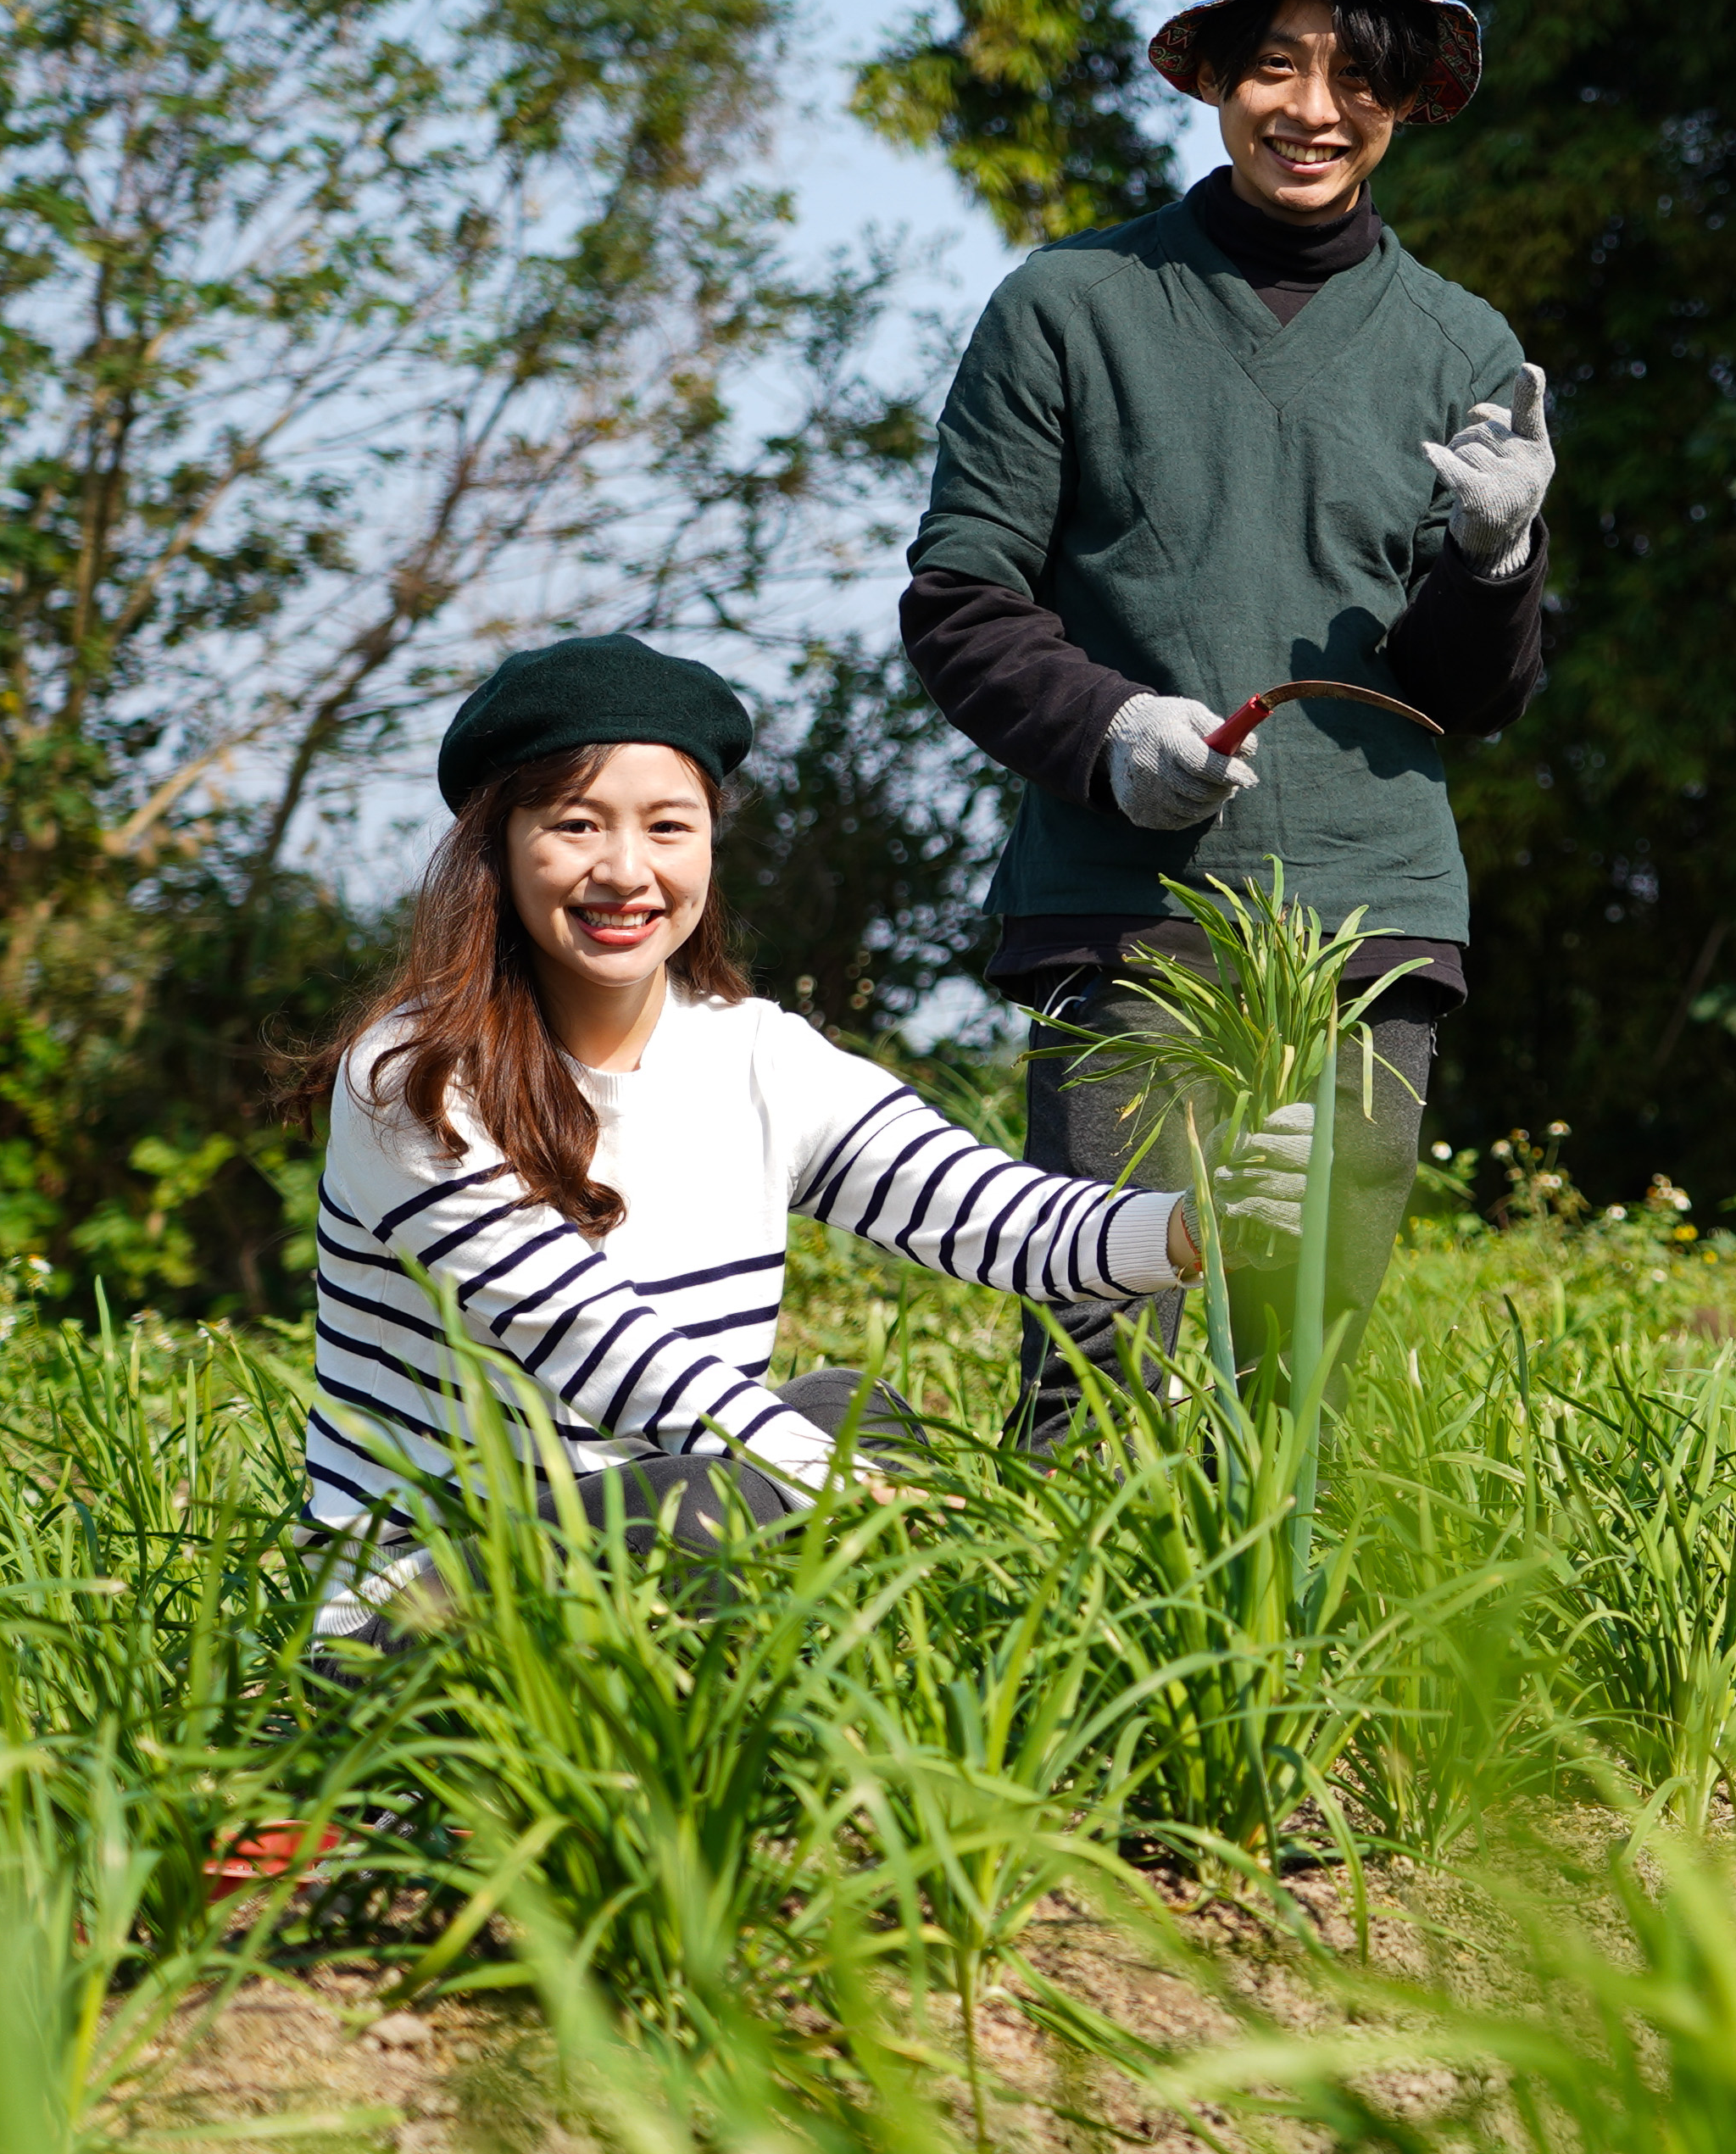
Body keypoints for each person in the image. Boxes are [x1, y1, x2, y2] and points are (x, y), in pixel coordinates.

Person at [900, 0, 1551, 1450]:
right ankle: (1072, 1686)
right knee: (1098, 1356)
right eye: (1277, 62)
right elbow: (962, 602)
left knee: (1304, 1366)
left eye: (1357, 70)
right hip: (1126, 915)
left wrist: (1498, 559)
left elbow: (1473, 693)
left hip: (1367, 912)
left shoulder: (1460, 342)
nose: (1313, 108)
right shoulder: (1070, 306)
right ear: (1207, 73)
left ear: (1406, 94)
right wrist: (1116, 734)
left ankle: (1295, 1688)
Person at [303, 631, 1275, 1638]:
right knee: (744, 1488)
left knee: (855, 1409)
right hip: (418, 1608)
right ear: (498, 848)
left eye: (669, 827)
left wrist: (1194, 1227)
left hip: (659, 1546)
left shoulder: (755, 1056)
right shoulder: (414, 1078)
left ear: (709, 846)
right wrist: (842, 1490)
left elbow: (991, 1214)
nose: (626, 870)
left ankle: (740, 1699)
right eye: (576, 824)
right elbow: (602, 1350)